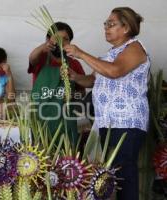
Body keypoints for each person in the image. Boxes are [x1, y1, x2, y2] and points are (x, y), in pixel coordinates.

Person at [64, 7, 149, 200]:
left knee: (124, 173)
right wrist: (75, 76)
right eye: (105, 24)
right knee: (111, 175)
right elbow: (92, 81)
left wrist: (81, 53)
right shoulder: (110, 54)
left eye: (111, 24)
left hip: (127, 121)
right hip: (107, 122)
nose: (106, 28)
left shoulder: (135, 48)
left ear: (126, 27)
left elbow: (115, 71)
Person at [28, 21, 86, 146]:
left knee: (65, 160)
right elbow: (32, 58)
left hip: (65, 122)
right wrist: (42, 47)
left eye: (66, 39)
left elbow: (82, 90)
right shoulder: (41, 59)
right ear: (48, 40)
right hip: (40, 120)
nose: (62, 42)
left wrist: (73, 97)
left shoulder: (74, 64)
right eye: (57, 38)